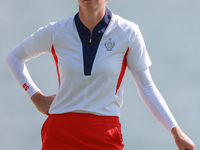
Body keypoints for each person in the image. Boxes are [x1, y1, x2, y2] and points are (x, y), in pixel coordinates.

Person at [6, 0, 195, 149]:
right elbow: (14, 58)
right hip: (60, 134)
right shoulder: (57, 31)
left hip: (105, 134)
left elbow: (147, 87)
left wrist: (175, 130)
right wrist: (36, 96)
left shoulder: (127, 33)